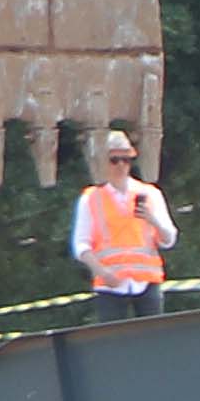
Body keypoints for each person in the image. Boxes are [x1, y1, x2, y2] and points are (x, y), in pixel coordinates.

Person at [70, 129, 174, 320]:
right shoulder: (91, 198)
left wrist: (153, 220)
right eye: (114, 160)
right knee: (112, 342)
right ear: (103, 162)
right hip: (110, 284)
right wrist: (101, 271)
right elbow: (81, 245)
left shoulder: (150, 194)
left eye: (126, 160)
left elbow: (169, 239)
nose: (121, 165)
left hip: (147, 281)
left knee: (154, 338)